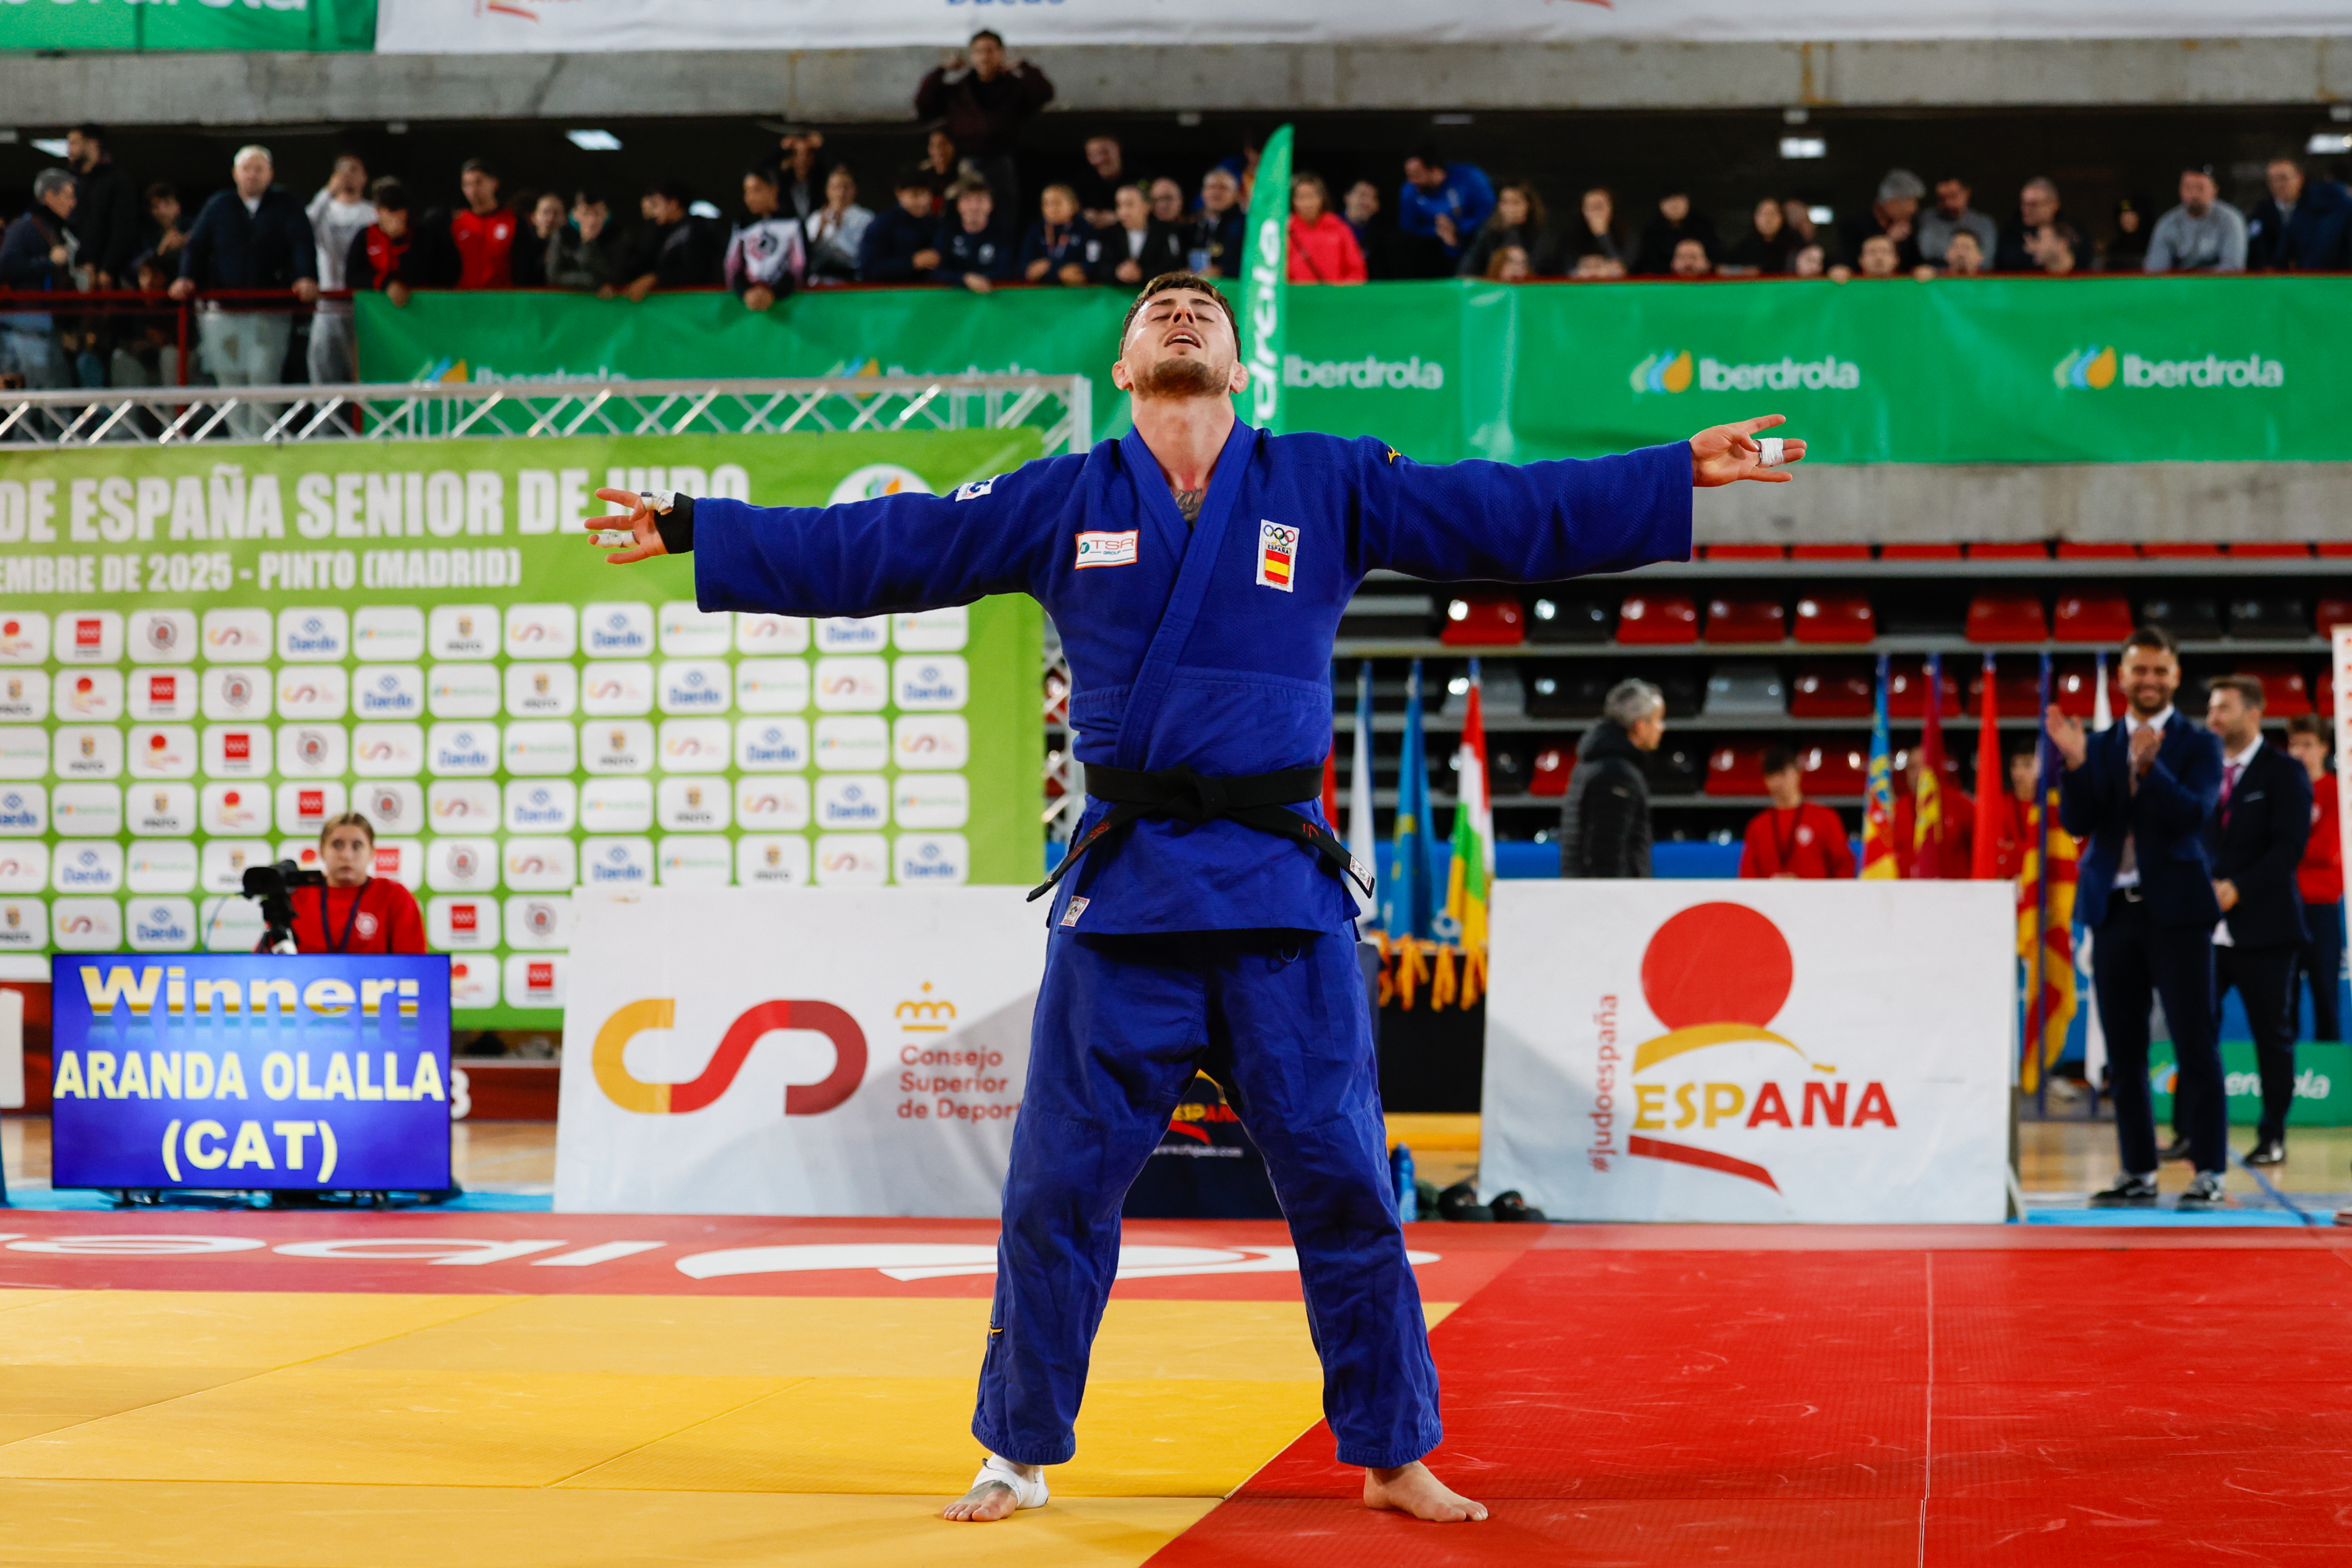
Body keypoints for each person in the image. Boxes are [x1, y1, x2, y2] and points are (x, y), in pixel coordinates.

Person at [585, 270, 1804, 1529]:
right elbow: (887, 546)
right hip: (1125, 903)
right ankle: (1014, 1446)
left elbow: (1501, 510)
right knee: (1058, 1185)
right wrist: (697, 527)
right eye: (1154, 307)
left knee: (1341, 1179)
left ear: (1239, 366)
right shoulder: (1062, 496)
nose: (1179, 310)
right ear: (1121, 370)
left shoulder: (1323, 482)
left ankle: (1391, 1448)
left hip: (1281, 897)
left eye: (1201, 308)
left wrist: (1672, 472)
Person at [2048, 626, 2228, 1209]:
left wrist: (2154, 771)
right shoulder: (2097, 744)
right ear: (2120, 678)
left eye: (2159, 671)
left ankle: (2208, 1171)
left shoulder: (2198, 744)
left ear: (2175, 677)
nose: (2148, 680)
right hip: (2112, 912)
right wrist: (2073, 767)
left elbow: (2192, 819)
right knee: (2123, 1051)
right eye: (2138, 671)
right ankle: (2137, 1171)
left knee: (2194, 1043)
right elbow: (2078, 823)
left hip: (2176, 913)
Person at [2162, 676, 2310, 1168]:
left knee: (2272, 1035)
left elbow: (2288, 847)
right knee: (2193, 1029)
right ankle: (2188, 1131)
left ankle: (2272, 1135)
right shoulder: (2200, 770)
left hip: (2265, 928)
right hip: (2204, 926)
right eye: (2210, 709)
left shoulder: (2285, 772)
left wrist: (2237, 887)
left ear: (2254, 713)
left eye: (2223, 708)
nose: (2213, 718)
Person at [169, 146, 319, 408]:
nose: (252, 175)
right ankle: (238, 441)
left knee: (265, 376)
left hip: (270, 311)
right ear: (236, 174)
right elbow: (198, 246)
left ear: (270, 174)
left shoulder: (287, 205)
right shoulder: (219, 206)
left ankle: (263, 442)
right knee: (229, 382)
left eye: (259, 169)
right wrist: (187, 278)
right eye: (246, 169)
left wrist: (305, 276)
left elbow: (301, 244)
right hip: (227, 311)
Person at [914, 29, 1054, 222]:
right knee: (963, 215)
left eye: (990, 51)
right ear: (972, 56)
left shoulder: (1015, 87)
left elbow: (1045, 93)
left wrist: (1024, 67)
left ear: (1001, 54)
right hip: (966, 160)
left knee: (1005, 216)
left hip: (1003, 160)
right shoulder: (958, 90)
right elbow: (924, 104)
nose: (985, 57)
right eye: (979, 52)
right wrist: (941, 71)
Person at [277, 813, 426, 956]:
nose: (346, 855)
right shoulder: (297, 895)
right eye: (337, 845)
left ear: (371, 853)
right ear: (322, 851)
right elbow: (267, 964)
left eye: (357, 846)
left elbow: (414, 967)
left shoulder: (394, 896)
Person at [1559, 679, 1662, 879]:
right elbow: (1606, 853)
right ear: (1640, 726)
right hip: (1607, 902)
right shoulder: (1616, 774)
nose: (1661, 728)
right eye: (1658, 720)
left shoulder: (1592, 763)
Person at [2286, 714, 2342, 1042]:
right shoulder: (2282, 790)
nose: (2298, 752)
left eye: (2307, 745)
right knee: (2284, 998)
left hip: (2321, 906)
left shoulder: (2336, 792)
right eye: (2294, 744)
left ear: (2323, 748)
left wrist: (2285, 850)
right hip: (2284, 904)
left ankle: (2331, 1082)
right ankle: (2286, 1077)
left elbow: (2324, 851)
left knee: (2325, 995)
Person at [0, 170, 81, 389]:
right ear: (50, 196)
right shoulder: (24, 227)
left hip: (48, 326)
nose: (73, 203)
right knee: (43, 398)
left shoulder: (55, 230)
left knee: (54, 395)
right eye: (69, 196)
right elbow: (6, 266)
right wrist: (49, 262)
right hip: (29, 327)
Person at [305, 154, 375, 384]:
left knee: (364, 378)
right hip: (327, 306)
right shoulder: (324, 210)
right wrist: (328, 192)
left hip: (362, 306)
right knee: (324, 381)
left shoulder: (372, 213)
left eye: (354, 170)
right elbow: (304, 228)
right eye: (343, 170)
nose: (348, 176)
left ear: (364, 177)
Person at [1740, 747, 1857, 878]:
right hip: (1770, 897)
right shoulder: (1758, 826)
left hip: (1816, 897)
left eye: (1783, 774)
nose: (1778, 783)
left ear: (1797, 774)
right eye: (1771, 776)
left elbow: (1844, 866)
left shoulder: (1825, 818)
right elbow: (1748, 875)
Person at [622, 182, 725, 302]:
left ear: (674, 204)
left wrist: (656, 279)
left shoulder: (696, 228)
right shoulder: (663, 232)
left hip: (695, 303)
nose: (654, 211)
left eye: (656, 204)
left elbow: (694, 271)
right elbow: (642, 261)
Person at [64, 124, 137, 291]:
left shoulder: (118, 182)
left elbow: (123, 229)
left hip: (112, 278)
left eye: (74, 143)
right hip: (79, 274)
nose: (69, 150)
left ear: (93, 144)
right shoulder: (71, 184)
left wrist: (108, 268)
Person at [2244, 157, 2351, 272]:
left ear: (2300, 178)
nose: (2278, 184)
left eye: (2283, 178)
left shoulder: (2322, 209)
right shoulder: (2262, 212)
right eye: (2272, 180)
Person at [1397, 149, 1495, 274]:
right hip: (1432, 248)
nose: (1412, 181)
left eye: (1417, 174)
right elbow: (1408, 228)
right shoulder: (1410, 190)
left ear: (1435, 170)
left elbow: (1487, 215)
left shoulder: (1471, 178)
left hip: (1470, 241)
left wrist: (1457, 228)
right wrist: (1437, 231)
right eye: (1409, 175)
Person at [725, 166, 807, 312]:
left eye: (757, 190)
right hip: (749, 303)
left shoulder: (792, 223)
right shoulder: (742, 226)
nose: (750, 197)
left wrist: (774, 293)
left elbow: (798, 266)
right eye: (747, 191)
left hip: (786, 303)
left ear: (774, 190)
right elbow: (733, 265)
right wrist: (746, 292)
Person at [2145, 166, 2246, 274]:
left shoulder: (2231, 220)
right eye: (2188, 188)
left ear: (2214, 190)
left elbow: (2233, 267)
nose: (2194, 195)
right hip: (2179, 287)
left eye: (2200, 188)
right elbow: (2155, 269)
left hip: (2217, 287)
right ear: (2180, 191)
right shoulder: (2167, 222)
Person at [345, 178, 421, 309]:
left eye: (400, 212)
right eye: (390, 212)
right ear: (378, 211)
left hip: (416, 306)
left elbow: (420, 273)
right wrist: (386, 284)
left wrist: (399, 241)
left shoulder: (419, 235)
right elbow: (352, 277)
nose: (396, 218)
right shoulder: (365, 236)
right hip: (377, 311)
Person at [1457, 182, 1560, 278]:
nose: (1510, 209)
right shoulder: (1489, 231)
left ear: (1529, 205)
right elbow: (1469, 266)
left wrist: (1513, 231)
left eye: (1516, 203)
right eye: (1505, 202)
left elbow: (1539, 268)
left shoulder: (1541, 232)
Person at [932, 175, 1015, 293]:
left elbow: (1007, 270)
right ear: (959, 206)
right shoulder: (947, 233)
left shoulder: (1002, 234)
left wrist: (980, 280)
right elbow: (936, 271)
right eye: (968, 200)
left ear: (991, 205)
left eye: (980, 200)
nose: (974, 207)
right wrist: (964, 279)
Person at [861, 168, 944, 283]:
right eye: (916, 195)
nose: (924, 201)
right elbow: (869, 270)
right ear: (899, 194)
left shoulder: (936, 225)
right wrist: (912, 263)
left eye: (927, 194)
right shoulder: (882, 225)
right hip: (892, 296)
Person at [1095, 183, 1186, 286]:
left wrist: (1143, 274)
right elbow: (1099, 267)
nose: (1123, 212)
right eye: (1119, 206)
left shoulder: (1165, 232)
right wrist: (1118, 273)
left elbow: (1173, 268)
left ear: (1147, 206)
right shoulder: (1110, 234)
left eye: (1130, 205)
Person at [1996, 177, 2088, 275]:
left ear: (2053, 205)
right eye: (2024, 204)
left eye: (2034, 205)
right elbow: (2007, 261)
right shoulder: (2012, 232)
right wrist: (2039, 257)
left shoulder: (2072, 230)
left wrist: (2058, 255)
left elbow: (2084, 259)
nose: (2026, 210)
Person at [1286, 173, 1366, 285]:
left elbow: (1357, 272)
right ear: (1292, 201)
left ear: (1322, 198)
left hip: (1334, 298)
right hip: (1296, 298)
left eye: (1312, 196)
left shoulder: (1339, 228)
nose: (1307, 203)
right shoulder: (1284, 231)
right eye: (1301, 197)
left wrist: (1341, 289)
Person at [802, 165, 873, 287]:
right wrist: (821, 229)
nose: (841, 192)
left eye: (846, 187)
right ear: (827, 190)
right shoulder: (816, 219)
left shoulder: (866, 219)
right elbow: (806, 256)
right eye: (836, 187)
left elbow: (864, 256)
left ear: (854, 189)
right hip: (819, 281)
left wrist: (841, 227)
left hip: (852, 279)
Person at [1842, 169, 1925, 273]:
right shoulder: (1855, 225)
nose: (1912, 209)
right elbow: (1847, 264)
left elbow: (1916, 264)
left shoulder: (1911, 225)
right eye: (1907, 203)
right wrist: (1889, 240)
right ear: (1889, 202)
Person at [546, 190, 620, 295]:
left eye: (597, 214)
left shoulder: (618, 235)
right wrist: (592, 282)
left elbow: (616, 275)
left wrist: (589, 244)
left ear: (607, 214)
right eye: (586, 214)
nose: (592, 220)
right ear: (575, 214)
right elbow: (554, 276)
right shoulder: (562, 235)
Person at [1022, 183, 1096, 286]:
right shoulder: (1036, 230)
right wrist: (1028, 270)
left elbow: (1093, 261)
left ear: (1074, 205)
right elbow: (1023, 264)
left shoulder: (1086, 230)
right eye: (1046, 204)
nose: (1052, 209)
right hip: (1042, 290)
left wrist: (1083, 271)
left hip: (1077, 290)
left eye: (1057, 203)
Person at [1916, 175, 1996, 267]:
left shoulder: (1984, 223)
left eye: (1954, 197)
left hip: (1976, 279)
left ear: (1967, 193)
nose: (1949, 204)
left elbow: (1987, 262)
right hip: (1938, 278)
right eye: (1942, 199)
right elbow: (1927, 253)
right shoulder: (1928, 219)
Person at [1193, 168, 1246, 278]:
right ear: (1203, 193)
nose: (1216, 193)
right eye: (1212, 187)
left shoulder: (1246, 227)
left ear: (1236, 195)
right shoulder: (1193, 225)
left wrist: (1222, 271)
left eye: (1223, 188)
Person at [1719, 197, 1795, 276]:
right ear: (1755, 217)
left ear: (1783, 218)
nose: (1768, 219)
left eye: (1773, 213)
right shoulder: (1743, 250)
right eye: (1763, 213)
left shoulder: (1794, 248)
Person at [1565, 188, 1630, 277]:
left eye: (1599, 207)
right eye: (1590, 207)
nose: (1595, 212)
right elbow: (1567, 269)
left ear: (1611, 209)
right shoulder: (1570, 237)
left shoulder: (1628, 236)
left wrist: (1603, 235)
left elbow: (1624, 269)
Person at [511, 191, 565, 289]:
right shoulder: (523, 247)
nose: (551, 219)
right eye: (546, 212)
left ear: (564, 219)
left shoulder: (572, 248)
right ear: (534, 217)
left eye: (556, 213)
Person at [776, 128, 830, 222]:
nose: (803, 160)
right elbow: (756, 171)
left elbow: (842, 169)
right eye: (797, 154)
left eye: (807, 154)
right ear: (791, 159)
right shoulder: (782, 181)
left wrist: (822, 147)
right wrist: (781, 148)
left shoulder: (821, 180)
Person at [1074, 135, 1126, 229]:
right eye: (1093, 155)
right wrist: (1084, 215)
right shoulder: (1083, 180)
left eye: (1105, 152)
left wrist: (1119, 217)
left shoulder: (1139, 175)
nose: (1100, 159)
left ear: (1118, 150)